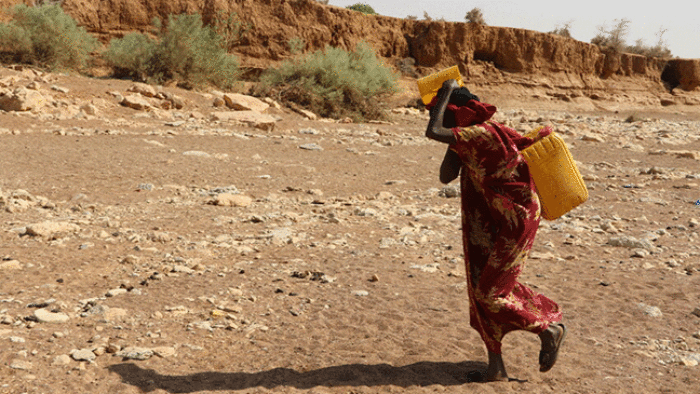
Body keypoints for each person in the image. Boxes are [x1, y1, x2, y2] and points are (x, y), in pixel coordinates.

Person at [425, 79, 566, 382]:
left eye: (441, 112)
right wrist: (454, 149)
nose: (436, 117)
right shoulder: (467, 139)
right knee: (480, 288)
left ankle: (547, 329)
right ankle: (496, 368)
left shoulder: (483, 132)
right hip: (491, 217)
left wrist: (446, 92)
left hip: (517, 219)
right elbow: (445, 176)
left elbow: (433, 132)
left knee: (491, 293)